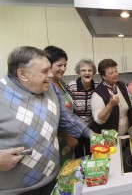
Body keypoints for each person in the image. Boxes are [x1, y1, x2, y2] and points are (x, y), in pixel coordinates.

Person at [0, 46, 92, 195]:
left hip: (51, 179)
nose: (50, 75)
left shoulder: (49, 88)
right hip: (16, 191)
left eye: (50, 69)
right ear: (23, 74)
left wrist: (92, 135)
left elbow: (66, 117)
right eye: (44, 71)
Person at [44, 46, 77, 166]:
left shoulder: (61, 83)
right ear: (48, 65)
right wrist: (67, 137)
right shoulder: (45, 88)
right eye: (59, 65)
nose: (63, 69)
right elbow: (48, 120)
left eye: (65, 65)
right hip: (57, 141)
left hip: (69, 141)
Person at [91, 59, 132, 135]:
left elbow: (130, 106)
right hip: (108, 139)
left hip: (126, 136)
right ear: (104, 76)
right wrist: (110, 104)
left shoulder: (123, 86)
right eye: (111, 73)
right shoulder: (97, 93)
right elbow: (99, 120)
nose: (115, 74)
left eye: (116, 71)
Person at [67, 58, 98, 158]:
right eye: (83, 70)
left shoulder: (97, 86)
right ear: (78, 73)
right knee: (79, 157)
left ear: (93, 72)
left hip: (92, 127)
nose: (87, 73)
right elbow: (68, 111)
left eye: (90, 70)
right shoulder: (72, 86)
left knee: (92, 155)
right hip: (76, 127)